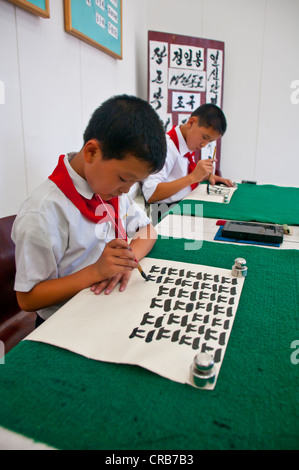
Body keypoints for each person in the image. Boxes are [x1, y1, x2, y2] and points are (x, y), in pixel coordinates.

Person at [12, 95, 167, 325]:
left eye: (134, 183)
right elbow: (27, 298)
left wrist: (126, 260)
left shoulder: (110, 190)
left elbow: (148, 230)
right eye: (124, 178)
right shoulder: (44, 211)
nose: (126, 191)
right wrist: (97, 272)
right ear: (92, 152)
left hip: (108, 308)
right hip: (64, 323)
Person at [142, 103, 233, 206]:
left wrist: (205, 176)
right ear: (191, 122)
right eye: (204, 137)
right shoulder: (167, 147)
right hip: (163, 211)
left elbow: (177, 177)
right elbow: (150, 194)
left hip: (182, 204)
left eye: (210, 141)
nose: (204, 145)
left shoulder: (187, 144)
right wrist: (193, 177)